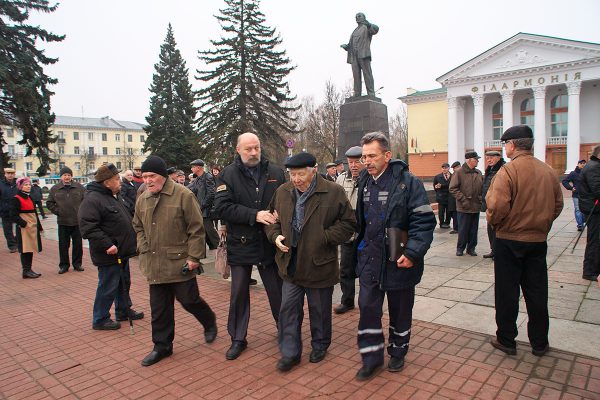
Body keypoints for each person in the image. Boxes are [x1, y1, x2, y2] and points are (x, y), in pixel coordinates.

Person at [354, 132, 436, 380]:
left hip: (399, 260)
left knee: (400, 310)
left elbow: (423, 220)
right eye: (364, 156)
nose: (366, 161)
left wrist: (412, 252)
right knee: (367, 308)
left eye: (371, 156)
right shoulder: (364, 182)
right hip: (370, 259)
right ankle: (371, 357)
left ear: (387, 155)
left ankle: (398, 351)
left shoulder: (408, 183)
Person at [265, 152, 356, 372]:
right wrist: (275, 235)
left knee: (320, 310)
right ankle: (290, 352)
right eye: (292, 174)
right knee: (288, 309)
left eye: (300, 174)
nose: (295, 179)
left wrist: (324, 238)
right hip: (290, 263)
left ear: (313, 170)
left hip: (319, 263)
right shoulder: (283, 192)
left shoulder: (332, 191)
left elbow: (348, 224)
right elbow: (271, 219)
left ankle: (320, 344)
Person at [132, 155, 217, 367]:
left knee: (189, 300)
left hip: (180, 262)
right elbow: (138, 226)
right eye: (144, 177)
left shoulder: (183, 195)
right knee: (159, 308)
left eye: (152, 176)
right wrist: (143, 247)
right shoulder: (143, 198)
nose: (148, 181)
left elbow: (196, 229)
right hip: (154, 263)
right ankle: (162, 347)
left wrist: (194, 257)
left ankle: (209, 321)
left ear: (162, 176)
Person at [486, 125, 563, 357]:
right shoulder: (547, 170)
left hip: (509, 239)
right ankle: (539, 343)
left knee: (507, 292)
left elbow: (496, 206)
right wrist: (542, 223)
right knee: (537, 292)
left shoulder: (508, 172)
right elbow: (558, 205)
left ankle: (507, 340)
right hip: (537, 240)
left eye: (505, 145)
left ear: (511, 145)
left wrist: (496, 224)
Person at [213, 132, 285, 361]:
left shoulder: (275, 172)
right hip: (241, 242)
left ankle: (286, 330)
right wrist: (255, 215)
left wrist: (281, 214)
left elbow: (285, 200)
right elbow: (222, 208)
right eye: (248, 149)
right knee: (239, 294)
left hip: (270, 241)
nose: (253, 153)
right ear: (238, 150)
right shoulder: (228, 174)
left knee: (278, 292)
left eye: (256, 148)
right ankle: (237, 338)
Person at [79, 164, 143, 330]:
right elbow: (88, 227)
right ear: (107, 182)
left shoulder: (113, 196)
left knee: (123, 282)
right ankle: (100, 318)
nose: (119, 181)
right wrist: (107, 244)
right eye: (116, 179)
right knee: (108, 285)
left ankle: (123, 310)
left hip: (122, 251)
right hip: (109, 253)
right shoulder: (93, 199)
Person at [334, 146, 365, 314]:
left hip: (366, 230)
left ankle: (368, 302)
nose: (353, 165)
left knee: (367, 269)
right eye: (350, 162)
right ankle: (347, 301)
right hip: (348, 231)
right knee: (345, 268)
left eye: (357, 161)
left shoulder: (369, 178)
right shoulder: (341, 179)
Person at [46, 166, 85, 273]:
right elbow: (49, 203)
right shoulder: (55, 188)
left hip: (77, 221)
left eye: (68, 175)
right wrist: (58, 211)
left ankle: (77, 264)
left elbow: (86, 201)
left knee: (77, 245)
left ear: (71, 176)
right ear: (61, 177)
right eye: (65, 175)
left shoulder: (79, 187)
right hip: (63, 221)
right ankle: (64, 265)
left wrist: (81, 212)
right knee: (63, 245)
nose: (67, 177)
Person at [449, 152, 483, 256]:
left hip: (475, 205)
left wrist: (480, 198)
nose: (478, 161)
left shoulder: (478, 172)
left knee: (474, 229)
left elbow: (482, 188)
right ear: (469, 160)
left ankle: (471, 248)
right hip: (464, 206)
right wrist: (463, 200)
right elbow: (453, 188)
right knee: (463, 229)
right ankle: (460, 248)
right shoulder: (459, 172)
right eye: (476, 159)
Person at [10, 177, 42, 279]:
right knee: (25, 249)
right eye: (25, 185)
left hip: (32, 227)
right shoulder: (16, 199)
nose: (28, 186)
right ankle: (26, 270)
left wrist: (39, 226)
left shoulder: (29, 197)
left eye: (29, 185)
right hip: (24, 228)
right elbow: (13, 215)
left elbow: (35, 213)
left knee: (30, 248)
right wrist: (23, 224)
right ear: (20, 186)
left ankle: (29, 269)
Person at [341, 12, 379, 97]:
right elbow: (351, 44)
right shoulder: (354, 31)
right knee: (356, 76)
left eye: (359, 16)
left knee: (367, 74)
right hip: (354, 57)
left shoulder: (367, 27)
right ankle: (357, 94)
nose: (357, 18)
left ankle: (371, 93)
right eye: (356, 17)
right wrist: (346, 47)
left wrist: (368, 24)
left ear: (364, 17)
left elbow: (376, 29)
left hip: (363, 54)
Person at [578, 144, 600, 282]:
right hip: (594, 210)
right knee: (595, 241)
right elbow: (598, 190)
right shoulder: (594, 167)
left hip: (593, 208)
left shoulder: (593, 166)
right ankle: (590, 270)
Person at [187, 159, 219, 250]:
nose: (191, 169)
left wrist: (203, 205)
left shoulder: (208, 177)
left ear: (198, 167)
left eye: (193, 167)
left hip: (206, 208)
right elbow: (191, 189)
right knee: (204, 228)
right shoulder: (197, 179)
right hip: (200, 207)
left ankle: (219, 246)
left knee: (209, 228)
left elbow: (211, 194)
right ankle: (213, 246)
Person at [481, 151, 506, 259]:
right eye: (487, 158)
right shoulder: (490, 169)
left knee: (498, 230)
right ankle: (493, 250)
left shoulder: (503, 169)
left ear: (498, 157)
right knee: (490, 230)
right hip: (489, 204)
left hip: (497, 204)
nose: (489, 160)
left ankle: (499, 252)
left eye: (491, 158)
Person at [562, 159, 587, 231]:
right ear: (578, 164)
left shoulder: (586, 173)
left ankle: (582, 222)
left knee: (584, 210)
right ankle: (580, 225)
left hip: (585, 195)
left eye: (584, 163)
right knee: (578, 209)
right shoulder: (573, 173)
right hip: (576, 195)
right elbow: (564, 181)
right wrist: (571, 188)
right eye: (581, 163)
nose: (583, 164)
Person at [0, 168, 18, 252]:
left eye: (12, 173)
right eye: (8, 173)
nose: (10, 175)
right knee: (7, 229)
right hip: (5, 210)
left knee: (21, 227)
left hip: (17, 210)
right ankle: (12, 246)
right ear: (5, 174)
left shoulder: (18, 183)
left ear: (14, 174)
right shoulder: (1, 184)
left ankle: (17, 241)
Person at [433, 163, 452, 229]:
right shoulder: (437, 177)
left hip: (450, 196)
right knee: (441, 211)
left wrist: (442, 186)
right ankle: (441, 223)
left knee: (449, 211)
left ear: (449, 168)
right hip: (441, 197)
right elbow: (435, 187)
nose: (444, 169)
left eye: (446, 168)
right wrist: (438, 189)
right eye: (443, 168)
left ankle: (447, 223)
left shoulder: (453, 176)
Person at [447, 161, 461, 234]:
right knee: (453, 213)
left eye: (455, 168)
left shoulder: (459, 174)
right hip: (452, 198)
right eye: (453, 168)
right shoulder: (454, 175)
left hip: (456, 197)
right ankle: (457, 227)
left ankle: (457, 228)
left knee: (455, 214)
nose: (454, 170)